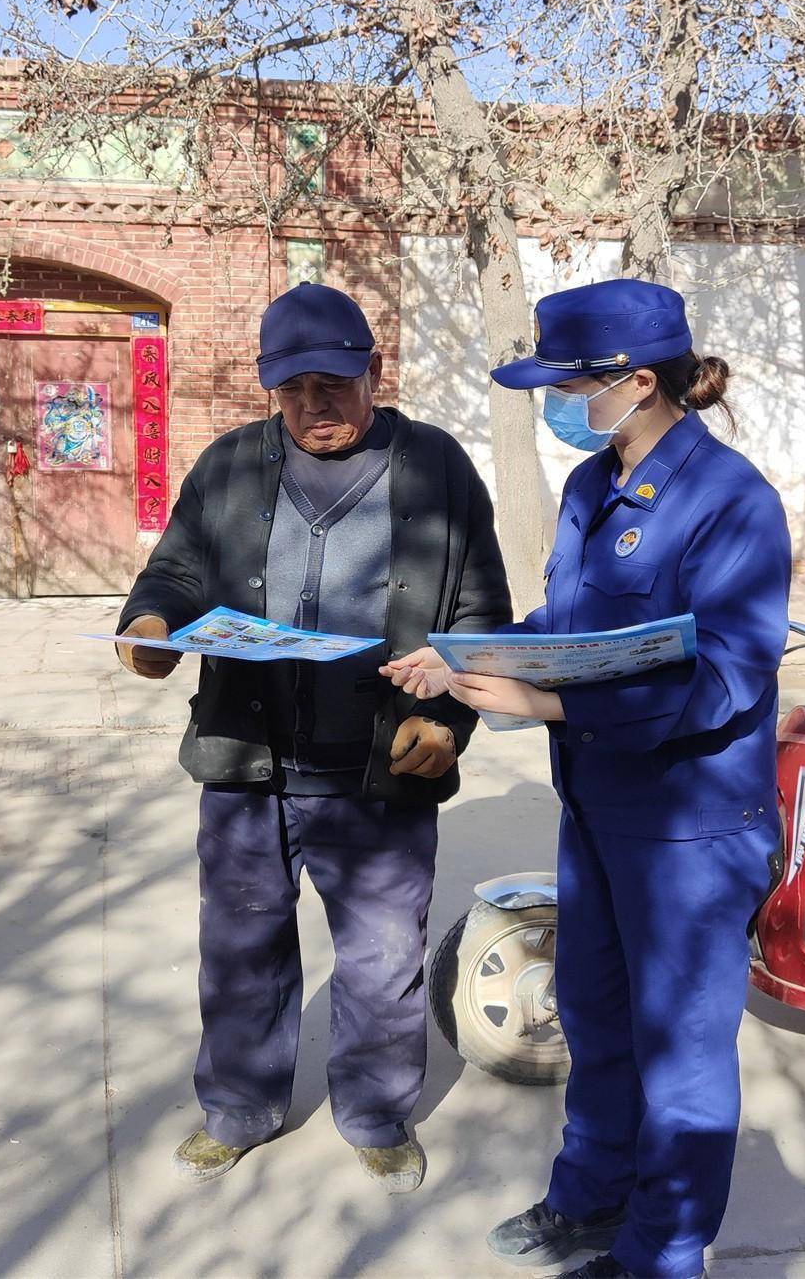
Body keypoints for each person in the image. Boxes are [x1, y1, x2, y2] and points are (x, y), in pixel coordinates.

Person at [385, 279, 791, 1278]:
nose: (558, 403)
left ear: (637, 381)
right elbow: (562, 634)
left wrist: (553, 706)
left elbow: (728, 674)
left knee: (678, 1053)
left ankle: (662, 1250)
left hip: (691, 824)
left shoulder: (731, 503)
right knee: (594, 1011)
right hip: (598, 806)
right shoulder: (587, 488)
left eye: (567, 384)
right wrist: (464, 656)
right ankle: (589, 1195)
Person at [115, 281, 512, 1193]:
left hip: (376, 770)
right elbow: (175, 570)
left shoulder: (438, 469)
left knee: (383, 958)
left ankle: (376, 1113)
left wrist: (448, 720)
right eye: (292, 389)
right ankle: (240, 1109)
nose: (313, 405)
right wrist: (149, 626)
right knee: (241, 946)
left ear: (371, 370)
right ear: (270, 388)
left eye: (332, 382)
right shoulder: (227, 467)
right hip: (248, 763)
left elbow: (480, 616)